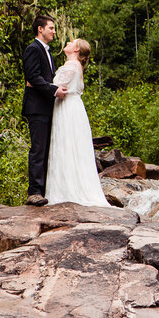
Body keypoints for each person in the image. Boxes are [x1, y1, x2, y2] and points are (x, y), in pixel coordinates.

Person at [44, 39, 110, 207]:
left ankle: (67, 191)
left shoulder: (72, 66)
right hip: (72, 107)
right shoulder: (74, 65)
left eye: (72, 42)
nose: (68, 42)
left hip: (67, 108)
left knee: (66, 145)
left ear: (77, 50)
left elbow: (56, 86)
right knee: (71, 146)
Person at [21, 15, 67, 206]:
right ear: (40, 29)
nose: (54, 31)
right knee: (38, 149)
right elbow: (32, 76)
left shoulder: (47, 52)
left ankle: (46, 189)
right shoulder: (33, 49)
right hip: (37, 108)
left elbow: (45, 78)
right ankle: (34, 192)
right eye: (51, 28)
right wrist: (53, 90)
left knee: (48, 149)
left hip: (47, 107)